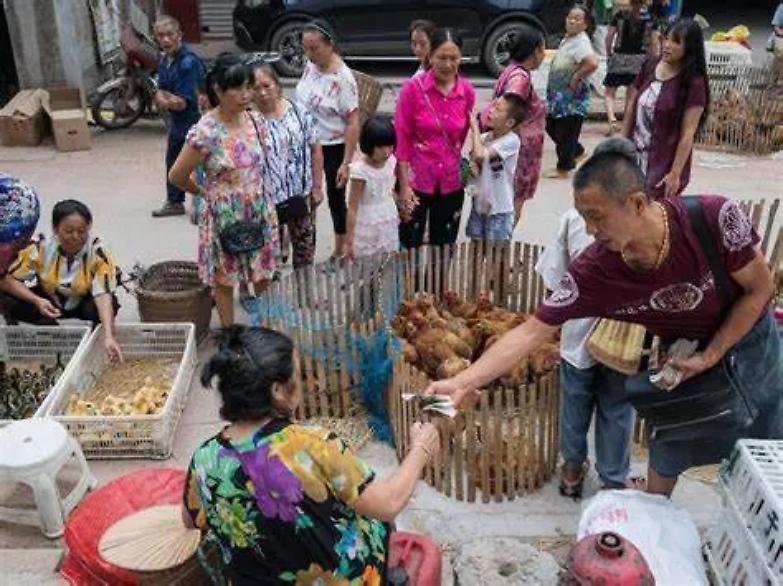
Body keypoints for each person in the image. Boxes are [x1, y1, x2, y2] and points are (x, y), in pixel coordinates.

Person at [427, 137, 781, 497]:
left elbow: (760, 290)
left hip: (750, 344)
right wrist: (463, 382)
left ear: (637, 203)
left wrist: (713, 354)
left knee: (767, 446)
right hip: (684, 356)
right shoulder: (596, 271)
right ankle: (654, 512)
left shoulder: (712, 217)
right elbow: (532, 332)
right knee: (669, 444)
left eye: (597, 217)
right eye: (583, 218)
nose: (590, 230)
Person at [183, 325, 440, 584]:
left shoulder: (205, 458)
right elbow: (389, 503)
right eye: (298, 374)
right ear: (277, 391)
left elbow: (190, 520)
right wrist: (421, 448)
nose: (302, 382)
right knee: (375, 519)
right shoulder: (313, 445)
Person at [169, 53, 278, 327]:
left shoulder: (255, 120)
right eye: (237, 89)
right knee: (225, 278)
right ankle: (230, 333)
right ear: (218, 89)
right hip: (224, 214)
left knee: (263, 273)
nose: (245, 95)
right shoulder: (206, 131)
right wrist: (204, 193)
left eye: (248, 87)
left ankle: (266, 330)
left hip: (259, 209)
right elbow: (177, 175)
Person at [535, 207, 634, 498]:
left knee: (574, 404)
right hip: (624, 340)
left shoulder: (573, 218)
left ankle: (571, 471)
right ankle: (613, 480)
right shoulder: (641, 219)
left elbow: (553, 280)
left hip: (578, 336)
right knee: (616, 408)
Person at [1, 200, 123, 362]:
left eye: (82, 231)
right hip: (49, 301)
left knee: (110, 303)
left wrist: (109, 335)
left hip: (83, 302)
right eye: (68, 231)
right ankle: (48, 329)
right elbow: (6, 279)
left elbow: (103, 294)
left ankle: (96, 334)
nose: (75, 237)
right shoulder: (40, 247)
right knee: (6, 298)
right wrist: (37, 300)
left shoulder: (98, 251)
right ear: (55, 229)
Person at [395, 28, 476, 249]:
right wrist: (404, 186)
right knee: (409, 244)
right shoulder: (412, 90)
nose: (448, 64)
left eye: (454, 58)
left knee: (444, 247)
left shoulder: (467, 92)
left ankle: (438, 276)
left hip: (451, 181)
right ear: (430, 56)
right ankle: (410, 276)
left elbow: (462, 137)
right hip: (416, 180)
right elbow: (402, 139)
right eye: (442, 57)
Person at [622, 18, 709, 200]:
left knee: (650, 210)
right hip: (633, 157)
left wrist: (675, 173)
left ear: (689, 48)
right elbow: (631, 107)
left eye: (676, 42)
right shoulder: (650, 66)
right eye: (666, 38)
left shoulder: (694, 83)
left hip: (663, 165)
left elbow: (688, 133)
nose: (667, 45)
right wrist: (620, 145)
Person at [295, 20, 360, 261]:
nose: (310, 54)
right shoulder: (311, 65)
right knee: (303, 195)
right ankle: (301, 247)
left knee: (335, 199)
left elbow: (352, 122)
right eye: (306, 48)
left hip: (333, 146)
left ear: (330, 44)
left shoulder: (342, 79)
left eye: (315, 48)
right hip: (306, 142)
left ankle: (340, 248)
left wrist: (346, 162)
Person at [253, 64, 323, 270]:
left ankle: (303, 287)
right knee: (268, 257)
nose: (262, 93)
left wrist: (317, 187)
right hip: (265, 201)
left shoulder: (299, 113)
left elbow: (315, 149)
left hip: (300, 195)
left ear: (277, 84)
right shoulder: (249, 120)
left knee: (305, 251)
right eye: (255, 88)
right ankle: (273, 288)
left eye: (266, 85)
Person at [478, 24, 547, 225]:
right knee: (510, 207)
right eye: (543, 49)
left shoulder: (510, 70)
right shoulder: (520, 78)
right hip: (518, 154)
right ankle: (500, 244)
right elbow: (510, 108)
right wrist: (511, 142)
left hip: (508, 150)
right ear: (535, 51)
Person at [151, 15, 204, 218]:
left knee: (200, 165)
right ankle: (175, 202)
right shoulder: (165, 60)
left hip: (196, 122)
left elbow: (181, 103)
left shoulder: (188, 63)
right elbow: (161, 90)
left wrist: (164, 99)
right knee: (173, 162)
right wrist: (163, 96)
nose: (165, 40)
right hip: (178, 123)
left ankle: (203, 204)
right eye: (160, 35)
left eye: (169, 34)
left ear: (179, 35)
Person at [545, 5, 599, 179]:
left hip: (571, 100)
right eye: (570, 18)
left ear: (585, 24)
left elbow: (592, 63)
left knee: (565, 131)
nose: (572, 21)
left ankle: (564, 168)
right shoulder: (570, 38)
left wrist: (576, 76)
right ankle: (576, 151)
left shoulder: (581, 42)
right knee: (552, 126)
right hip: (560, 98)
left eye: (577, 19)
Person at [465, 93, 524, 243]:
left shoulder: (512, 141)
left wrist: (474, 128)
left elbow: (480, 155)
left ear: (510, 122)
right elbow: (474, 160)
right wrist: (472, 167)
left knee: (496, 254)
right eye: (492, 106)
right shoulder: (484, 138)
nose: (491, 111)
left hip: (500, 210)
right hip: (479, 206)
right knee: (476, 250)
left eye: (498, 109)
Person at [344, 114, 400, 259]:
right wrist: (349, 240)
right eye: (380, 147)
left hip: (387, 217)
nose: (386, 151)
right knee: (367, 263)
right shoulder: (360, 172)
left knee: (386, 261)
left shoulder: (392, 162)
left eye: (389, 146)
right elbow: (352, 208)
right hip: (367, 223)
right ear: (369, 145)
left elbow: (391, 189)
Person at [603, 0, 651, 136]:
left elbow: (609, 37)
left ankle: (612, 119)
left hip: (619, 57)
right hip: (638, 60)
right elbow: (653, 42)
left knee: (609, 93)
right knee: (630, 97)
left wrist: (609, 53)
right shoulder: (648, 18)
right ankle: (626, 125)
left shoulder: (620, 15)